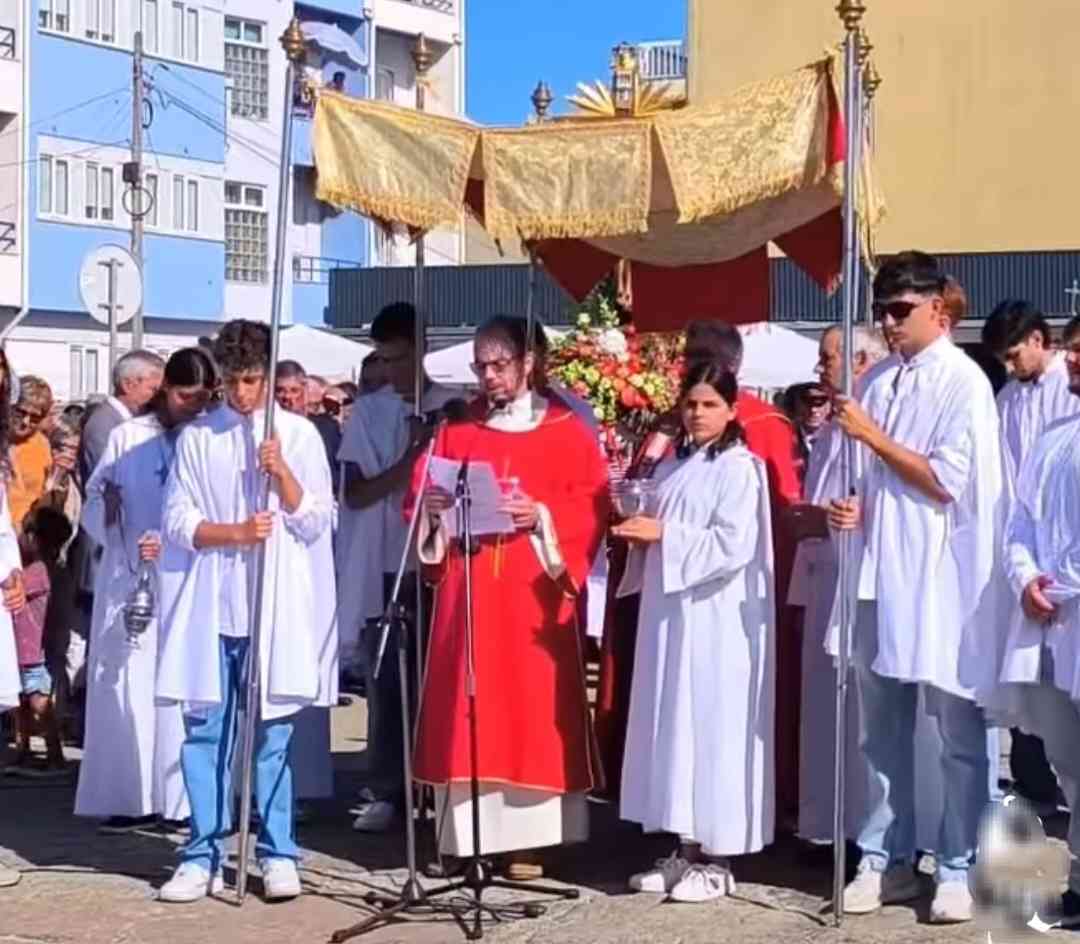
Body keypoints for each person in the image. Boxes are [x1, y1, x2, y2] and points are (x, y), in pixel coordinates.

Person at [829, 251, 1003, 922]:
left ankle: (960, 862)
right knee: (882, 730)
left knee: (958, 729)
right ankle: (886, 857)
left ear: (938, 307)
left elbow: (947, 482)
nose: (888, 323)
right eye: (881, 311)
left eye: (899, 311)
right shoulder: (878, 384)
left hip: (940, 576)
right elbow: (870, 482)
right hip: (878, 569)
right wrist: (853, 509)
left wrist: (872, 438)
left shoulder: (963, 382)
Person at [412, 314, 608, 879]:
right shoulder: (457, 429)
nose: (489, 377)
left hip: (531, 591)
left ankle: (529, 840)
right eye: (482, 366)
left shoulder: (567, 430)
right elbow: (422, 495)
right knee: (466, 706)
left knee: (528, 707)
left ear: (529, 363)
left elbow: (591, 507)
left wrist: (540, 514)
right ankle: (465, 837)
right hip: (468, 588)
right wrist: (434, 514)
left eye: (500, 365)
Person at [155, 320, 336, 903]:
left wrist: (282, 474)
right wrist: (231, 532)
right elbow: (177, 522)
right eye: (233, 382)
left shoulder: (300, 436)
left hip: (274, 606)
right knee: (205, 731)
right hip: (212, 606)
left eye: (253, 380)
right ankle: (201, 850)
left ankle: (277, 849)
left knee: (273, 736)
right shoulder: (197, 437)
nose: (242, 394)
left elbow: (317, 521)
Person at [614, 362, 774, 903]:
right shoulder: (675, 465)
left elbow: (734, 544)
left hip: (717, 617)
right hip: (672, 611)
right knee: (674, 723)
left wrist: (664, 534)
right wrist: (643, 535)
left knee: (710, 725)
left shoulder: (740, 467)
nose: (698, 413)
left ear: (732, 408)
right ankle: (684, 847)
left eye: (709, 404)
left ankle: (718, 855)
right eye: (691, 403)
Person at [74, 348, 216, 833]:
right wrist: (113, 516)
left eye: (201, 398)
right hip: (131, 574)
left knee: (183, 687)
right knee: (129, 686)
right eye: (183, 396)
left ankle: (182, 799)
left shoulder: (208, 437)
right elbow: (95, 499)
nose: (191, 406)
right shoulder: (128, 437)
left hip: (190, 574)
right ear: (163, 391)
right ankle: (129, 794)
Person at [337, 301, 458, 833]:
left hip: (439, 557)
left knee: (439, 675)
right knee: (388, 679)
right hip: (386, 560)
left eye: (400, 357)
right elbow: (356, 492)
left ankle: (444, 782)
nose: (390, 370)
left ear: (422, 347)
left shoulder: (455, 404)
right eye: (382, 359)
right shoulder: (370, 411)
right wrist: (408, 462)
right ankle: (389, 786)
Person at [996, 314, 1080, 926]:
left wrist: (1063, 583)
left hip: (1068, 604)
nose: (1072, 361)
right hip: (1049, 619)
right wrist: (1025, 576)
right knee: (1068, 758)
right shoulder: (1055, 436)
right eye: (1072, 351)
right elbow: (1019, 521)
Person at [983, 301, 1077, 816]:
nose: (1011, 366)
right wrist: (1022, 570)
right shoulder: (1006, 399)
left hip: (1065, 561)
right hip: (1025, 555)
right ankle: (1035, 782)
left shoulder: (1069, 388)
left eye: (1015, 354)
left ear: (1041, 340)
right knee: (1030, 686)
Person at [8, 505, 72, 777]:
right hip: (24, 650)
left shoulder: (38, 572)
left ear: (34, 538)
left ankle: (55, 755)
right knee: (21, 704)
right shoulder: (47, 569)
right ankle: (22, 751)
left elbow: (13, 587)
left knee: (39, 704)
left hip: (36, 651)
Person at [8, 377, 56, 530]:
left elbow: (44, 494)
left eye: (35, 418)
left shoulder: (42, 446)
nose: (25, 422)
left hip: (28, 537)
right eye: (20, 412)